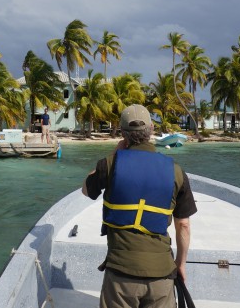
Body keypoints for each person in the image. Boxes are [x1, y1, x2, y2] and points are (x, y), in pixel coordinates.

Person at [82, 104, 197, 308]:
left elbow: (86, 189)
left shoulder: (110, 164)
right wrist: (180, 265)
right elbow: (184, 225)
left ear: (123, 133)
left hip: (121, 274)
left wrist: (114, 153)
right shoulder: (176, 171)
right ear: (151, 130)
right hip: (161, 274)